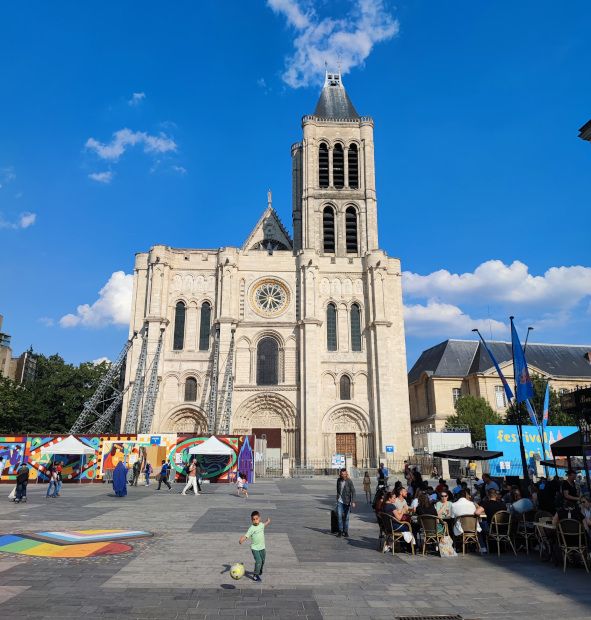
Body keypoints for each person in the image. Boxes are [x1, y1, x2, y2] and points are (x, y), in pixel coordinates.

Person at [239, 510, 271, 582]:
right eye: (253, 519)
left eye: (257, 519)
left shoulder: (261, 525)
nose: (255, 521)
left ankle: (259, 571)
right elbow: (246, 536)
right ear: (251, 520)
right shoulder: (251, 528)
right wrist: (241, 540)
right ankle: (255, 575)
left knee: (263, 561)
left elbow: (264, 525)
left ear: (259, 518)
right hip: (255, 548)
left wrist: (268, 521)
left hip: (262, 547)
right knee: (258, 561)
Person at [335, 468, 356, 538]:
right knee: (339, 516)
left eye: (344, 474)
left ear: (346, 474)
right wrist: (337, 497)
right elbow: (337, 490)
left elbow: (353, 491)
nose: (343, 475)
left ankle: (346, 531)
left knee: (346, 517)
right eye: (342, 474)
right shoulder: (338, 480)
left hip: (347, 501)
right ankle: (340, 531)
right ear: (340, 474)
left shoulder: (349, 481)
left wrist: (353, 501)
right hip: (340, 501)